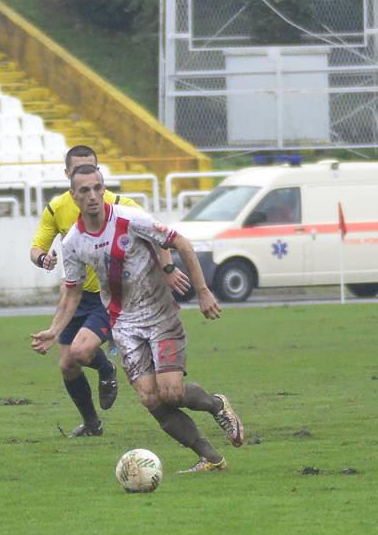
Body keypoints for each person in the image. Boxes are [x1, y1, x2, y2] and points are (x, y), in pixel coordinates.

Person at [31, 165, 245, 473]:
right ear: (73, 196)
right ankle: (211, 458)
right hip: (124, 324)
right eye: (84, 190)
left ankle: (216, 404)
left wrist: (202, 291)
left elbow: (181, 243)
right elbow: (72, 292)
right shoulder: (73, 242)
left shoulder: (130, 220)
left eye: (97, 187)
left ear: (103, 188)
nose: (92, 195)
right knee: (150, 397)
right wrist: (54, 330)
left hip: (160, 314)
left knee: (171, 390)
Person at [29, 145, 187, 437]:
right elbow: (37, 246)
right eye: (79, 171)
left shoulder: (120, 204)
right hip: (75, 295)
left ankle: (109, 370)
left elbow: (157, 236)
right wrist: (43, 258)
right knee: (67, 365)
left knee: (82, 350)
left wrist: (167, 269)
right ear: (68, 175)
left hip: (112, 296)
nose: (89, 183)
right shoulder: (57, 208)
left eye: (92, 170)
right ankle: (92, 423)